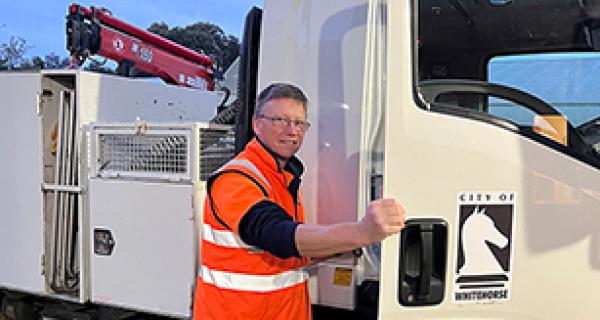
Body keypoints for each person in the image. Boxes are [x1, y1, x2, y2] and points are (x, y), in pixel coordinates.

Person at [193, 83, 406, 320]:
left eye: (299, 123)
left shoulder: (283, 178)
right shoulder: (236, 179)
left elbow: (292, 255)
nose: (292, 130)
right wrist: (363, 232)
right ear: (257, 124)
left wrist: (345, 243)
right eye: (280, 120)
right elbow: (278, 235)